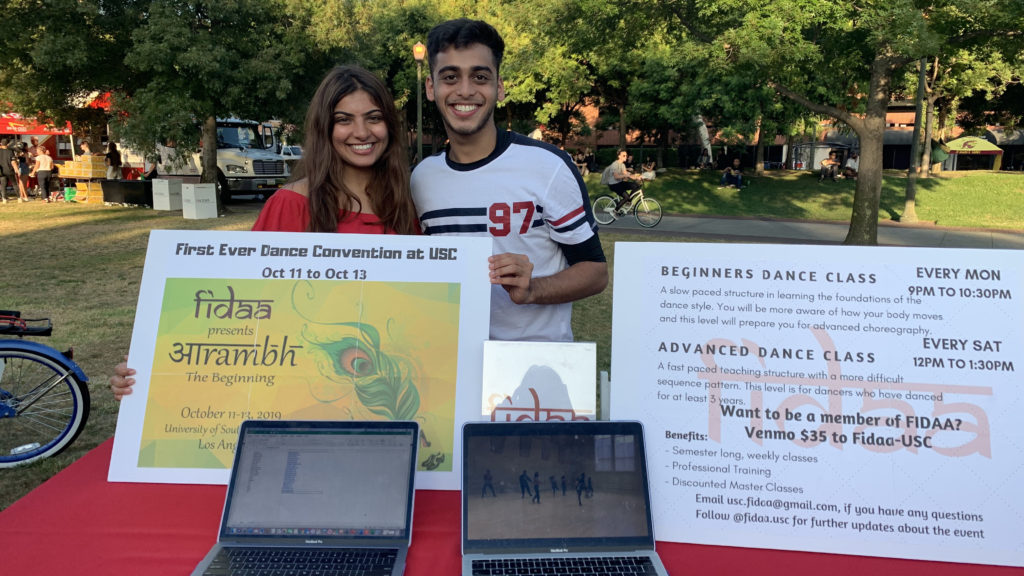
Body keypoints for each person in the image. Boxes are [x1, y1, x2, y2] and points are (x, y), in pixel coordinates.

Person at [109, 65, 419, 400]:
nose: (361, 131)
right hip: (303, 390)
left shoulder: (405, 206)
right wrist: (154, 363)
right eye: (344, 120)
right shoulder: (291, 205)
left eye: (374, 117)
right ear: (324, 129)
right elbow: (241, 309)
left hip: (383, 389)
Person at [412, 18, 607, 343]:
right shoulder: (422, 179)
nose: (465, 90)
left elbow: (596, 272)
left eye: (480, 76)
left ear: (499, 87)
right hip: (453, 363)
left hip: (533, 368)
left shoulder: (547, 166)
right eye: (450, 77)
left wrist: (534, 289)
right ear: (431, 88)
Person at [0, 139, 15, 203]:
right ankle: (4, 197)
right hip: (7, 170)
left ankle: (4, 197)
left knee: (3, 184)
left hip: (1, 170)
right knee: (7, 184)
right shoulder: (10, 151)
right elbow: (13, 162)